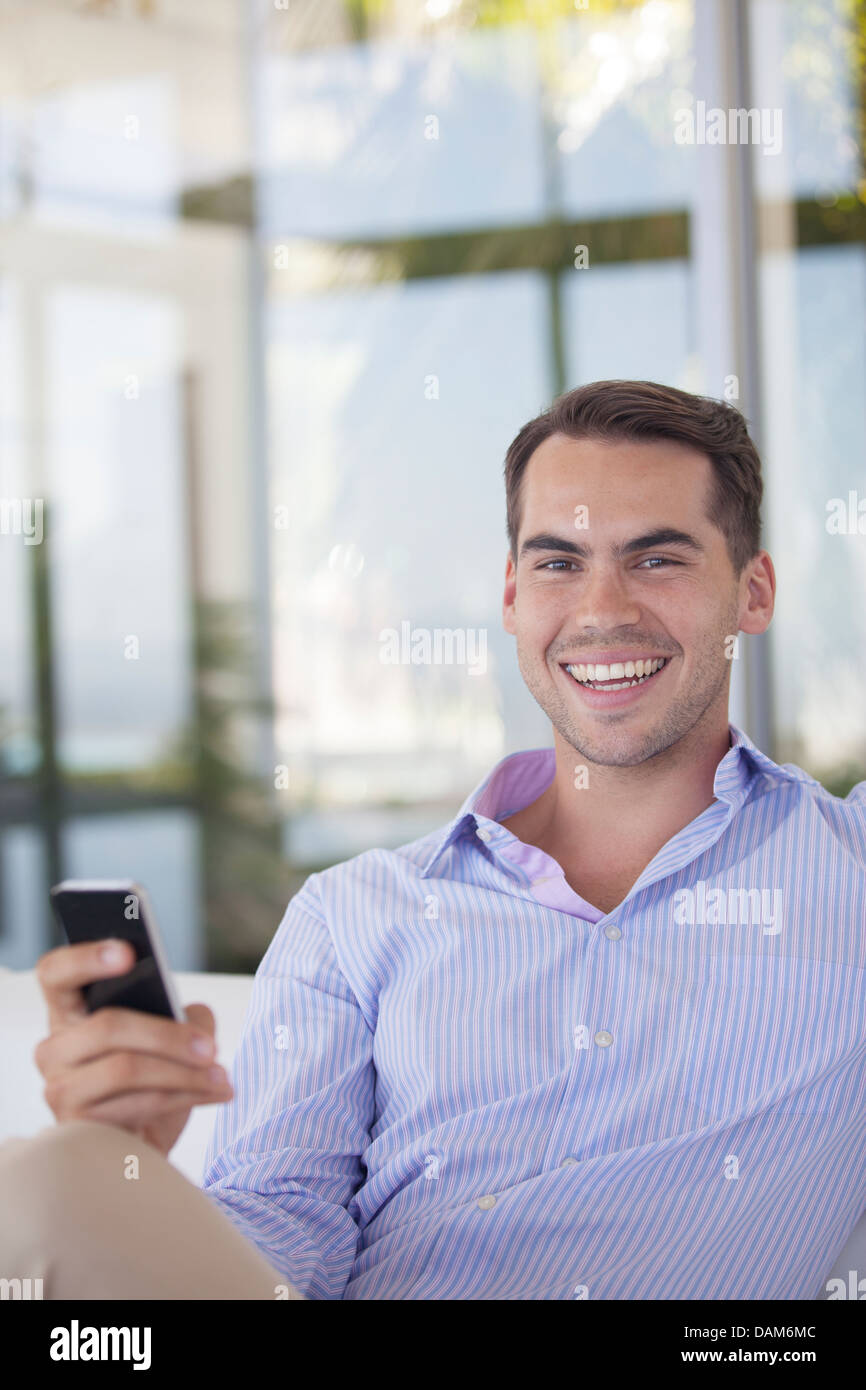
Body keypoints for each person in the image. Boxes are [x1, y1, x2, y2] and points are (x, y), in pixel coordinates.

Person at [2, 379, 863, 1300]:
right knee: (45, 1186)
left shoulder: (846, 866)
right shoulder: (353, 917)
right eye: (558, 562)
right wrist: (133, 1185)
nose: (602, 609)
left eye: (656, 560)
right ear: (511, 596)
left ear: (755, 592)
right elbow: (281, 1236)